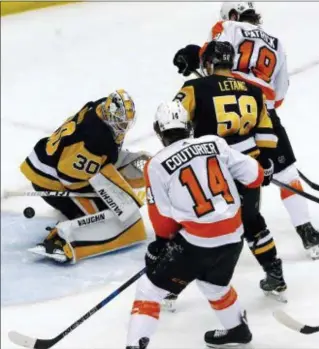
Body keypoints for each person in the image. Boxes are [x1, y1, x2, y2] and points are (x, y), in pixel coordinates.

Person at [172, 1, 319, 261]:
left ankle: (206, 242)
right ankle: (308, 234)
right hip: (261, 112)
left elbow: (211, 63)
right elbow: (279, 94)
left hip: (221, 110)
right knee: (286, 172)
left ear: (233, 14)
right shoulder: (276, 42)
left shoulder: (226, 26)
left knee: (214, 173)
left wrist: (192, 54)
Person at [126, 100, 265, 349]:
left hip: (199, 243)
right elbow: (255, 174)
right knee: (213, 284)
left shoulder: (156, 165)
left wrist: (162, 243)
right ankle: (237, 330)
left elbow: (160, 216)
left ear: (159, 131)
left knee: (149, 290)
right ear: (188, 126)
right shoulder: (214, 142)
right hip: (234, 238)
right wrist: (264, 172)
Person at [171, 40, 287, 305]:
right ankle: (275, 274)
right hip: (248, 167)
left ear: (208, 63)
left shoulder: (193, 88)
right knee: (252, 221)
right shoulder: (254, 90)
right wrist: (266, 163)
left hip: (211, 171)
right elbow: (267, 132)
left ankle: (170, 287)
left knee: (193, 224)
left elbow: (174, 121)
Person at [20, 89, 148, 264]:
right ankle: (60, 241)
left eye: (126, 123)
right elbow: (68, 178)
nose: (123, 128)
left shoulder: (101, 106)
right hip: (50, 180)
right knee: (110, 216)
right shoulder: (95, 139)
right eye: (120, 123)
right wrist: (100, 191)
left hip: (51, 157)